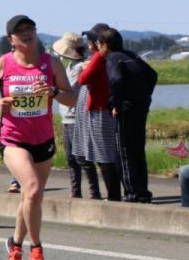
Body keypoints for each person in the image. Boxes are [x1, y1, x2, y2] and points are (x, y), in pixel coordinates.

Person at [0, 15, 76, 260]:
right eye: (20, 31)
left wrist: (53, 92)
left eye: (30, 29)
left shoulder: (51, 63)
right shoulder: (1, 65)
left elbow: (71, 99)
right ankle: (37, 249)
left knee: (30, 198)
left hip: (42, 139)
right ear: (11, 39)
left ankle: (15, 245)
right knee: (31, 190)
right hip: (13, 138)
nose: (27, 33)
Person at [96, 25, 157, 203]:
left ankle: (132, 194)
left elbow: (116, 79)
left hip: (126, 110)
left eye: (99, 44)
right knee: (138, 151)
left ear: (105, 45)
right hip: (140, 108)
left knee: (123, 152)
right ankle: (143, 192)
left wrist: (116, 103)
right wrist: (145, 97)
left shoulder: (113, 58)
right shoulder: (130, 55)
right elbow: (152, 75)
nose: (98, 48)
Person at [74, 25, 123, 200]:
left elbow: (83, 79)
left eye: (91, 39)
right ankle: (116, 193)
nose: (88, 42)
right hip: (105, 107)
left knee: (104, 154)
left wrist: (84, 69)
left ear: (99, 42)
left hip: (100, 108)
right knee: (108, 153)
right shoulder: (112, 57)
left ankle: (113, 195)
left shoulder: (97, 58)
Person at [52, 32, 101, 199]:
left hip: (77, 117)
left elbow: (72, 89)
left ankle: (95, 193)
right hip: (67, 117)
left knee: (82, 158)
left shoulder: (81, 66)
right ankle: (76, 192)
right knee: (71, 159)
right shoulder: (69, 67)